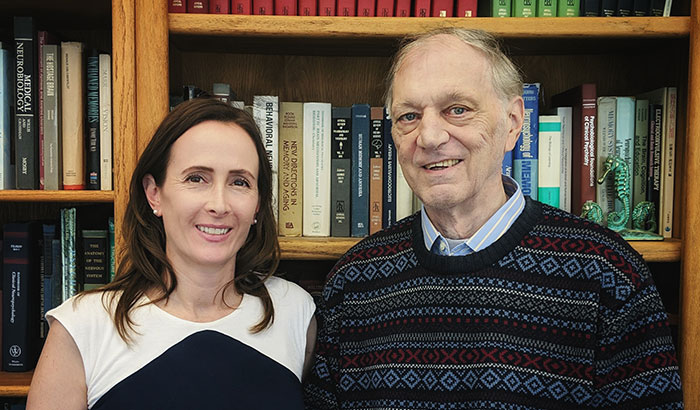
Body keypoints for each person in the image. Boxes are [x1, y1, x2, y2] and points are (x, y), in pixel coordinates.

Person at [304, 28, 683, 409]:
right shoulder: (352, 283)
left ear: (514, 122)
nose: (430, 136)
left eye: (458, 110)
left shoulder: (609, 273)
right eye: (409, 116)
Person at [27, 98, 317, 410]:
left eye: (239, 182)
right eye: (196, 178)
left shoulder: (295, 312)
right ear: (154, 194)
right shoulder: (82, 326)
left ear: (258, 204)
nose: (219, 205)